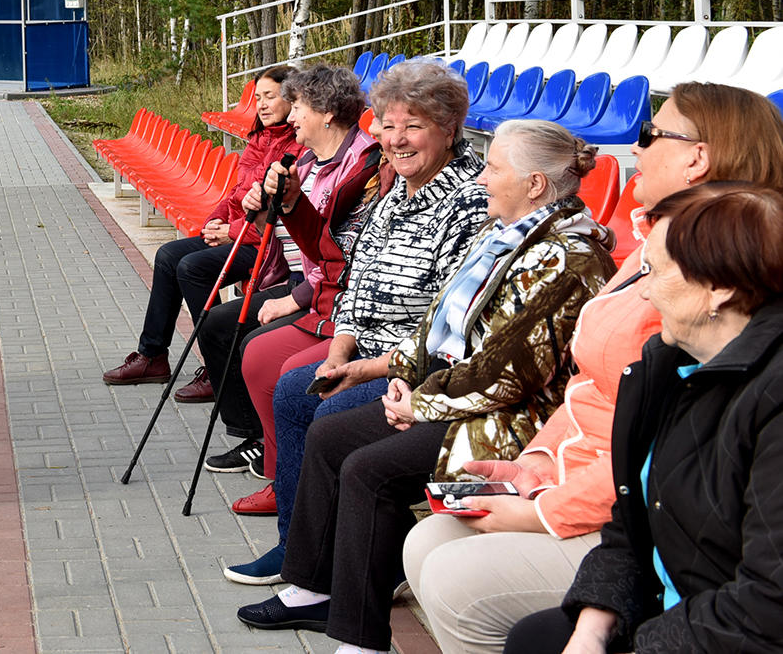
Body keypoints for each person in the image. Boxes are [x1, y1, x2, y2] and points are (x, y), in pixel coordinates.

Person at [402, 83, 783, 654]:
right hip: (597, 488)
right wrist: (535, 465)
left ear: (697, 157)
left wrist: (545, 511)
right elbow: (590, 392)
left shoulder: (704, 296)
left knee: (453, 575)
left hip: (629, 515)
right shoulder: (659, 249)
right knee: (426, 541)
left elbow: (658, 476)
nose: (636, 146)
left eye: (651, 135)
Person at [234, 118, 614, 653]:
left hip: (506, 422)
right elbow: (440, 323)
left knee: (369, 470)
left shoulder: (566, 259)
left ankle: (360, 639)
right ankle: (313, 586)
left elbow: (508, 373)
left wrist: (423, 402)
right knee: (330, 436)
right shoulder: (505, 232)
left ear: (535, 185)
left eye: (495, 168)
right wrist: (395, 373)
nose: (482, 178)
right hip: (455, 395)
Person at [505, 182, 783, 653]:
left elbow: (765, 606)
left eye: (654, 271)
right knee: (535, 638)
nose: (645, 293)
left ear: (719, 289)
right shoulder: (667, 364)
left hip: (725, 632)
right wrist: (592, 629)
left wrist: (642, 646)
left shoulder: (771, 401)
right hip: (675, 609)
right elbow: (633, 520)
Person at [219, 59, 486, 525]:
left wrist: (358, 362)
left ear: (448, 129)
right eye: (388, 126)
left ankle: (311, 541)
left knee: (318, 408)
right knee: (288, 381)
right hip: (352, 327)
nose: (396, 139)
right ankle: (293, 527)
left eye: (413, 126)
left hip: (412, 364)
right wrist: (340, 347)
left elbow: (445, 327)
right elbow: (352, 271)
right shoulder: (392, 190)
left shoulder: (389, 176)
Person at [189, 64, 381, 481]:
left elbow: (337, 256)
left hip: (324, 294)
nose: (291, 117)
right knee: (218, 319)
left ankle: (275, 453)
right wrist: (258, 211)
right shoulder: (309, 160)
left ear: (327, 112)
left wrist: (289, 300)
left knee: (256, 344)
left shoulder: (358, 167)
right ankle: (256, 438)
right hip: (303, 281)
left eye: (299, 107)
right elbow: (281, 237)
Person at [102, 64, 299, 399]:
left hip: (267, 246)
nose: (262, 105)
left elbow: (276, 219)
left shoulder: (294, 148)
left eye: (270, 96)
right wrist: (215, 220)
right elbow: (238, 192)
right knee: (168, 255)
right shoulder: (259, 138)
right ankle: (153, 355)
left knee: (192, 268)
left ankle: (217, 365)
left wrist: (230, 232)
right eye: (257, 98)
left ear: (293, 99)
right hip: (238, 232)